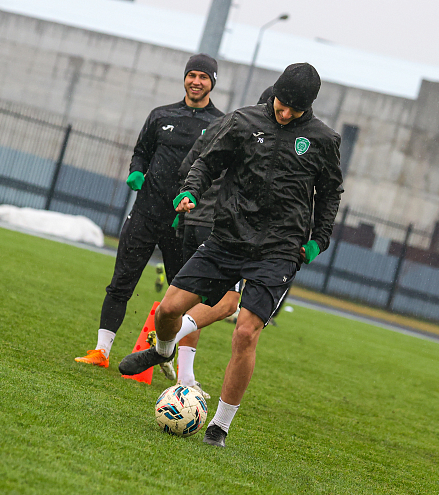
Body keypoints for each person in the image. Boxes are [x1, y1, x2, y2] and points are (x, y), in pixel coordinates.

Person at [119, 63, 343, 447]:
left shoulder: (323, 139)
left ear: (308, 107)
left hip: (279, 249)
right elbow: (206, 162)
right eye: (281, 104)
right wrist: (191, 191)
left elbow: (330, 193)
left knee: (245, 332)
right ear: (274, 93)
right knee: (168, 310)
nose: (285, 113)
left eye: (295, 109)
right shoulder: (243, 121)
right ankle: (163, 351)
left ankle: (219, 427)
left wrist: (317, 239)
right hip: (227, 238)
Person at [75, 54, 224, 373]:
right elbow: (141, 152)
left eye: (203, 77)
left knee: (183, 298)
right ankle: (101, 350)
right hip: (145, 213)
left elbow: (218, 172)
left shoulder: (220, 124)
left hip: (185, 222)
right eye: (192, 75)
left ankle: (171, 359)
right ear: (184, 78)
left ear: (213, 82)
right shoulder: (161, 115)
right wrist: (136, 171)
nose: (196, 81)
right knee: (120, 283)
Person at [169, 86, 276, 397]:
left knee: (195, 300)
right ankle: (169, 337)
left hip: (193, 219)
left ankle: (185, 376)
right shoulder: (260, 137)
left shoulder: (222, 123)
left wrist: (192, 196)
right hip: (222, 228)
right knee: (227, 303)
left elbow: (188, 166)